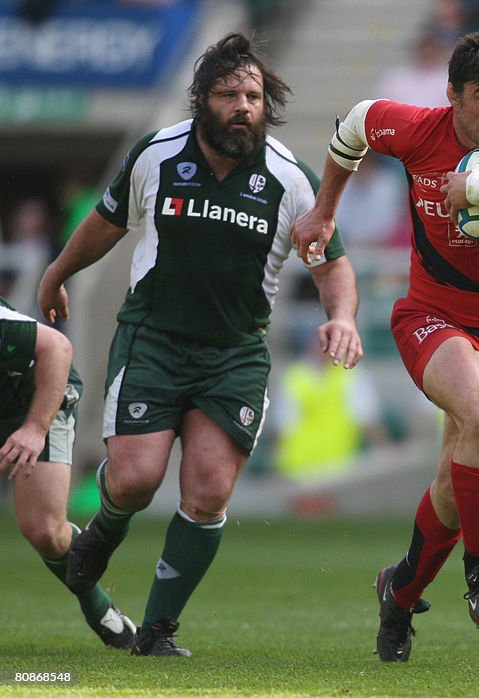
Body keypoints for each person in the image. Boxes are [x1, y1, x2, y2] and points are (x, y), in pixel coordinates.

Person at [37, 33, 362, 658]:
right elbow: (104, 227)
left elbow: (334, 265)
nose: (244, 105)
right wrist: (55, 275)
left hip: (235, 353)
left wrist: (341, 317)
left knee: (208, 491)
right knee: (134, 481)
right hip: (153, 341)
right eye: (229, 94)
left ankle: (158, 630)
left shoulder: (291, 180)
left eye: (254, 95)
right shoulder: (157, 155)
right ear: (201, 101)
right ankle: (100, 535)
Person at [291, 30, 479, 662]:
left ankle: (397, 596)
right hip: (429, 315)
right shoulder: (420, 130)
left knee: (456, 483)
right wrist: (323, 211)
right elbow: (359, 124)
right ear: (452, 95)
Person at [0, 296, 137, 649]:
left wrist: (34, 428)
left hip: (33, 393)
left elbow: (58, 347)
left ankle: (96, 604)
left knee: (45, 531)